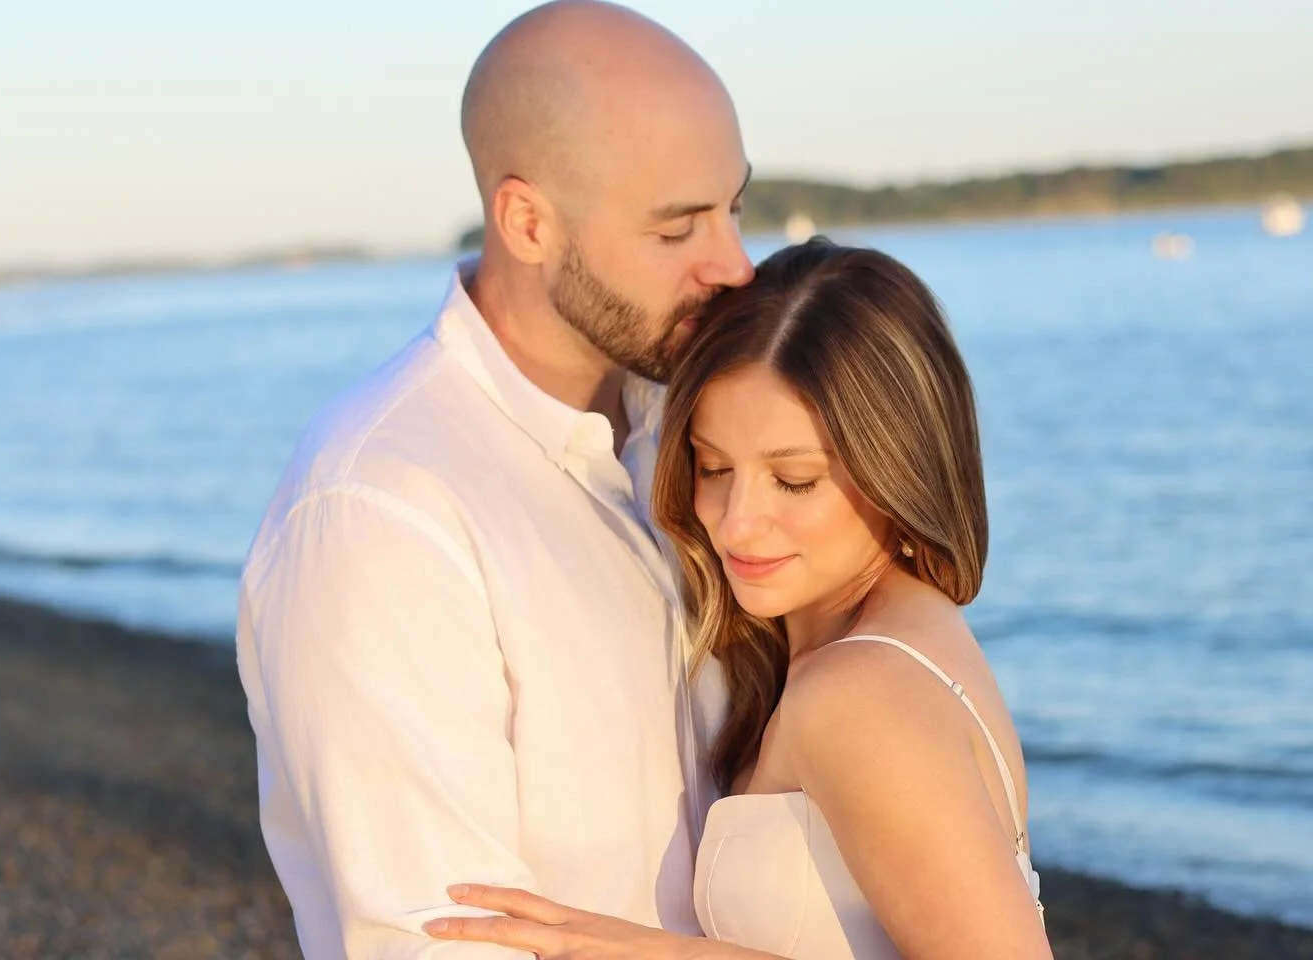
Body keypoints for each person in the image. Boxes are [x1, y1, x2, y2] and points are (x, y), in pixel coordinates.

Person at [234, 1, 753, 956]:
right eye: (678, 230)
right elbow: (434, 941)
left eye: (735, 208)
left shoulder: (701, 438)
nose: (736, 266)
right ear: (527, 221)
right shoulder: (383, 510)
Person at [424, 240, 1054, 959]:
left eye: (794, 479)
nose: (735, 521)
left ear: (899, 469)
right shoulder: (906, 632)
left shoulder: (859, 693)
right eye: (714, 465)